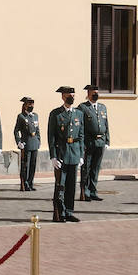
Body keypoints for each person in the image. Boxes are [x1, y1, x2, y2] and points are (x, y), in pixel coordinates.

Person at [47, 86, 84, 223]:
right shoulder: (56, 114)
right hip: (61, 153)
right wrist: (53, 156)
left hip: (74, 153)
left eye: (73, 95)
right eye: (69, 95)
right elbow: (51, 136)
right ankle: (59, 212)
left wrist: (81, 155)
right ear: (63, 96)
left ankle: (69, 211)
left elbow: (81, 135)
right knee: (60, 186)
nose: (72, 97)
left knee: (71, 186)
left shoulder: (78, 114)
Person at [77, 85, 109, 201]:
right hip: (89, 142)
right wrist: (82, 144)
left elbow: (106, 124)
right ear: (88, 93)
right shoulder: (82, 107)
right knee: (86, 168)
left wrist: (107, 140)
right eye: (93, 92)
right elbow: (80, 126)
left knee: (96, 168)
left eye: (97, 92)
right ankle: (85, 192)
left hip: (100, 142)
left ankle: (93, 191)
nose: (96, 94)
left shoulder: (102, 107)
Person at [14, 96, 40, 191]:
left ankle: (30, 182)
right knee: (26, 165)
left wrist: (38, 140)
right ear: (25, 105)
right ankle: (24, 183)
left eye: (32, 104)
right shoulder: (21, 116)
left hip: (34, 143)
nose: (31, 105)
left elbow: (37, 130)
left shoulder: (35, 115)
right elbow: (16, 130)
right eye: (29, 104)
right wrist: (19, 142)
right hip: (27, 143)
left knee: (33, 165)